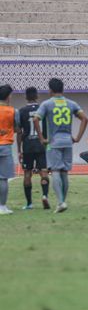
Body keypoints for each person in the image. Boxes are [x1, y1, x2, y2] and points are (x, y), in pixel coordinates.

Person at [35, 78, 88, 213]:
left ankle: (60, 202)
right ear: (63, 89)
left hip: (53, 142)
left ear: (50, 90)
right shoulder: (71, 103)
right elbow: (85, 119)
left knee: (56, 171)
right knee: (65, 172)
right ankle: (63, 200)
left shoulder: (47, 104)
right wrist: (77, 137)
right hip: (67, 142)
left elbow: (36, 119)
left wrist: (42, 138)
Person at [17, 87, 50, 210]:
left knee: (27, 173)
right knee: (43, 171)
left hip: (27, 146)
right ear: (37, 96)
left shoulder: (21, 111)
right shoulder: (44, 110)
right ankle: (45, 196)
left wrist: (19, 150)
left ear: (26, 97)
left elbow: (19, 132)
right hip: (41, 144)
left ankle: (29, 203)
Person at [0, 85, 19, 215]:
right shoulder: (13, 111)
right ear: (8, 96)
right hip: (5, 146)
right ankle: (2, 206)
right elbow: (18, 129)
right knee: (3, 178)